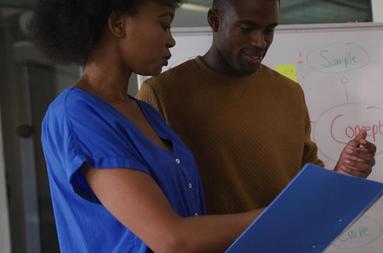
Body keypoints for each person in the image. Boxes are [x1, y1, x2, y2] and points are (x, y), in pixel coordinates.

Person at [32, 0, 261, 252]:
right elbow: (170, 238)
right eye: (163, 24)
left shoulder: (145, 113)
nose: (170, 40)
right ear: (118, 25)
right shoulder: (76, 115)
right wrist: (274, 215)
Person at [137, 0, 377, 215]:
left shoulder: (290, 93)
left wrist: (342, 173)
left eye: (269, 30)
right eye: (247, 28)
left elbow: (307, 180)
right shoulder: (161, 95)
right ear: (215, 20)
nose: (260, 42)